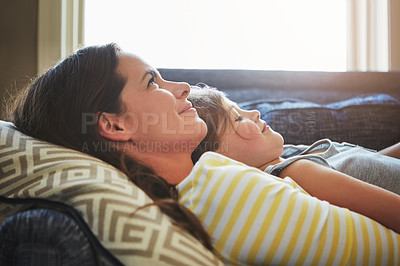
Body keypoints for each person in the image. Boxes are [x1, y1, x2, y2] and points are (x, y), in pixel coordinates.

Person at [10, 44, 400, 265]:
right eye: (152, 82)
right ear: (114, 125)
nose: (181, 87)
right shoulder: (201, 197)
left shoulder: (216, 176)